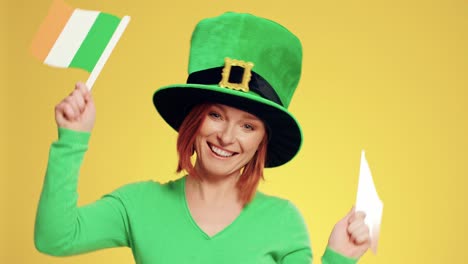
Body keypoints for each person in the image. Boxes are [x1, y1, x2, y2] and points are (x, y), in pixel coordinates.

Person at [35, 12, 370, 263]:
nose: (226, 137)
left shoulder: (283, 221)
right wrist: (71, 140)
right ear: (193, 121)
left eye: (248, 126)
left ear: (261, 142)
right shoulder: (138, 204)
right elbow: (55, 237)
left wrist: (339, 257)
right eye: (215, 115)